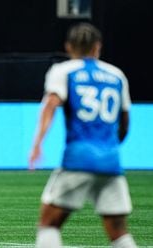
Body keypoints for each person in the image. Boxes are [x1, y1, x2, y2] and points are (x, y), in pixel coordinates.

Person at [29, 22, 137, 248]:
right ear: (98, 47)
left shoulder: (64, 71)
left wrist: (38, 143)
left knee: (48, 223)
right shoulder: (117, 75)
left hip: (78, 159)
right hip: (111, 162)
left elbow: (51, 104)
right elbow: (125, 122)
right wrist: (109, 147)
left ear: (68, 47)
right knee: (118, 232)